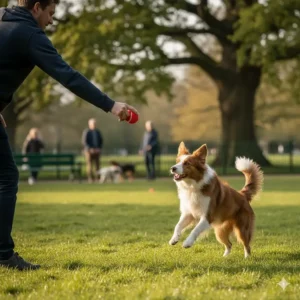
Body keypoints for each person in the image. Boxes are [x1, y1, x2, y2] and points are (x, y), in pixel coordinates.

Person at [0, 0, 138, 270]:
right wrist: (111, 105)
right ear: (37, 7)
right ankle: (3, 254)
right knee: (6, 177)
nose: (51, 20)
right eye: (50, 13)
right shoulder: (29, 34)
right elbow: (68, 76)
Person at [82, 118, 103, 183]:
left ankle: (98, 178)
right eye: (93, 123)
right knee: (90, 165)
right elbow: (84, 142)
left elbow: (101, 141)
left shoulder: (98, 132)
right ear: (89, 124)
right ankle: (90, 179)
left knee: (97, 165)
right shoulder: (87, 132)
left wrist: (99, 148)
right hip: (89, 152)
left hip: (97, 151)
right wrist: (90, 149)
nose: (94, 125)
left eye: (95, 123)